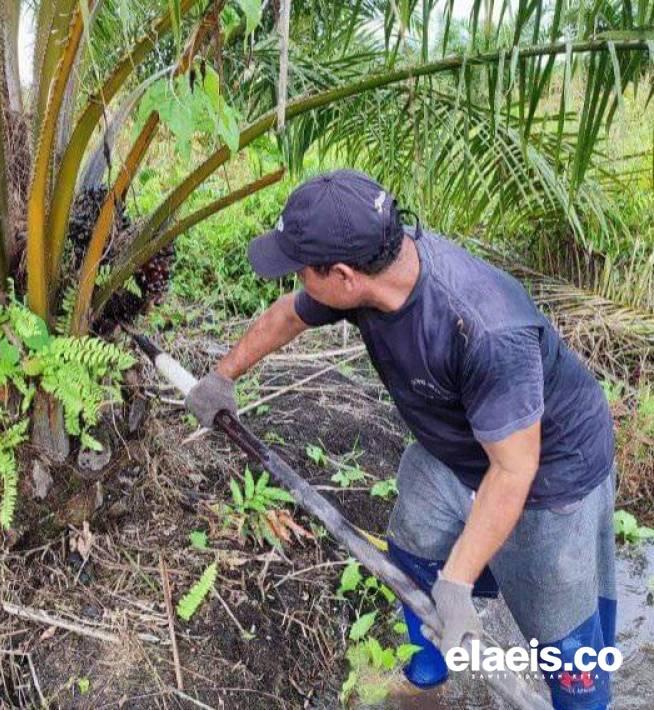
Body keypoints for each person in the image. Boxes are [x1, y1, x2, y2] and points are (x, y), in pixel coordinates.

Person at [184, 169, 617, 709]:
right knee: (412, 547)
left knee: (568, 643)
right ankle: (430, 668)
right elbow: (290, 314)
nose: (295, 279)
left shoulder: (483, 328)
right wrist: (223, 376)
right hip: (455, 449)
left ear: (342, 275)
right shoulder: (368, 274)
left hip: (550, 472)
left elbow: (514, 469)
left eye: (300, 268)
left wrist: (458, 583)